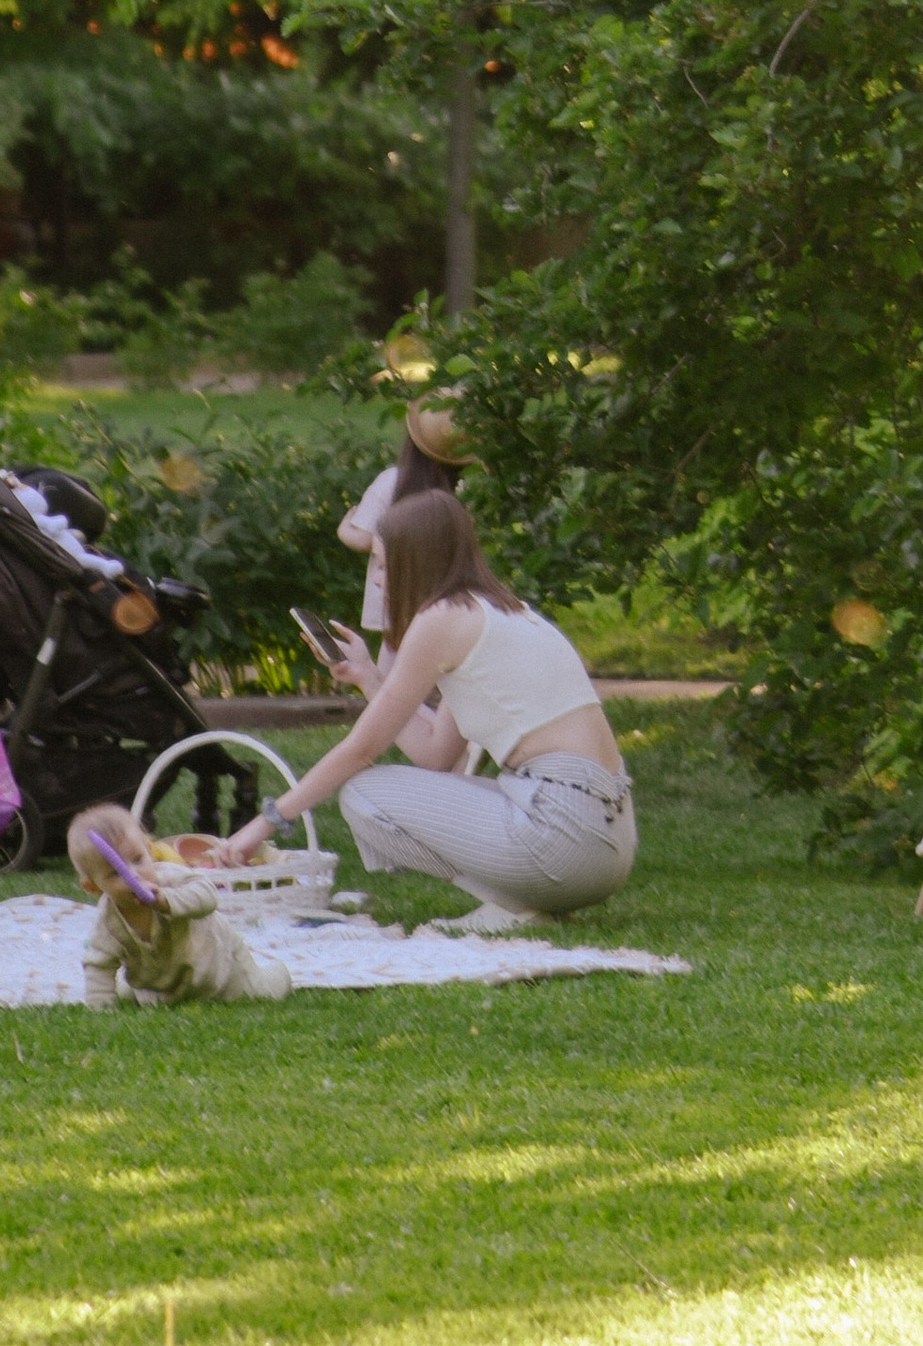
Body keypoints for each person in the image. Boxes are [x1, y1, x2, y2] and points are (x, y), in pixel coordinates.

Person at [218, 490, 635, 933]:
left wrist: (263, 824)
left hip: (565, 834)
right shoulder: (497, 611)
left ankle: (511, 905)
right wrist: (365, 675)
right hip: (605, 842)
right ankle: (532, 902)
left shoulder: (441, 619)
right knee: (383, 786)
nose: (377, 580)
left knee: (363, 792)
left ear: (415, 560)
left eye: (382, 564)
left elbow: (360, 750)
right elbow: (435, 754)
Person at [68, 803, 292, 1007]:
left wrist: (166, 901)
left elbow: (207, 897)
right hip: (163, 987)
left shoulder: (171, 878)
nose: (133, 876)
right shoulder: (108, 920)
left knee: (261, 992)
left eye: (138, 859)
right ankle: (130, 986)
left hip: (221, 970)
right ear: (93, 887)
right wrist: (102, 1010)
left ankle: (279, 973)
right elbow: (98, 965)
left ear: (149, 851)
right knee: (133, 992)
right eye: (116, 873)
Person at [335, 397, 473, 634]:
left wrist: (344, 530)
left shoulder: (392, 482)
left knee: (393, 666)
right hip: (448, 601)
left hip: (395, 601)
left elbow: (366, 540)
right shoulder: (468, 489)